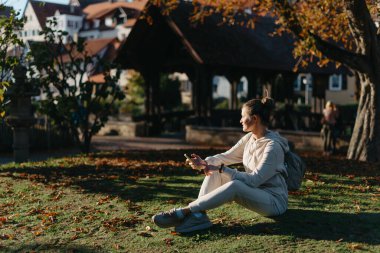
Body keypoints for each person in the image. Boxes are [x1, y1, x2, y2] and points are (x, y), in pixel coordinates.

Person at [152, 95, 290, 233]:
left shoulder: (273, 147)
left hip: (274, 202)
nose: (240, 120)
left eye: (243, 116)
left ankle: (185, 211)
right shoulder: (250, 138)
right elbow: (224, 157)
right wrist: (205, 163)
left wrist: (221, 169)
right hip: (256, 193)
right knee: (214, 162)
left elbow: (254, 180)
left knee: (234, 183)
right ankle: (199, 216)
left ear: (254, 119)